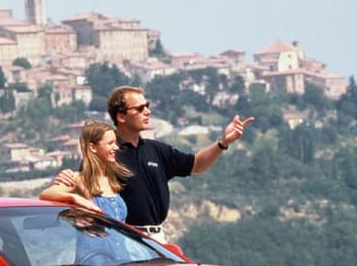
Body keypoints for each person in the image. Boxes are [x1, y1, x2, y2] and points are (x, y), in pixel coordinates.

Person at [54, 85, 254, 242]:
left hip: (157, 237)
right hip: (123, 236)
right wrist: (68, 184)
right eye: (140, 108)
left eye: (147, 106)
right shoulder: (107, 154)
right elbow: (75, 188)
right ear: (121, 116)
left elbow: (196, 165)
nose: (147, 111)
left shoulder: (157, 150)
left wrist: (223, 142)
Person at [40, 120, 132, 264]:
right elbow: (45, 195)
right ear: (93, 148)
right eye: (110, 143)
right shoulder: (79, 179)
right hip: (95, 265)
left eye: (115, 142)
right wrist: (75, 199)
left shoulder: (113, 181)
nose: (116, 147)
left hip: (123, 263)